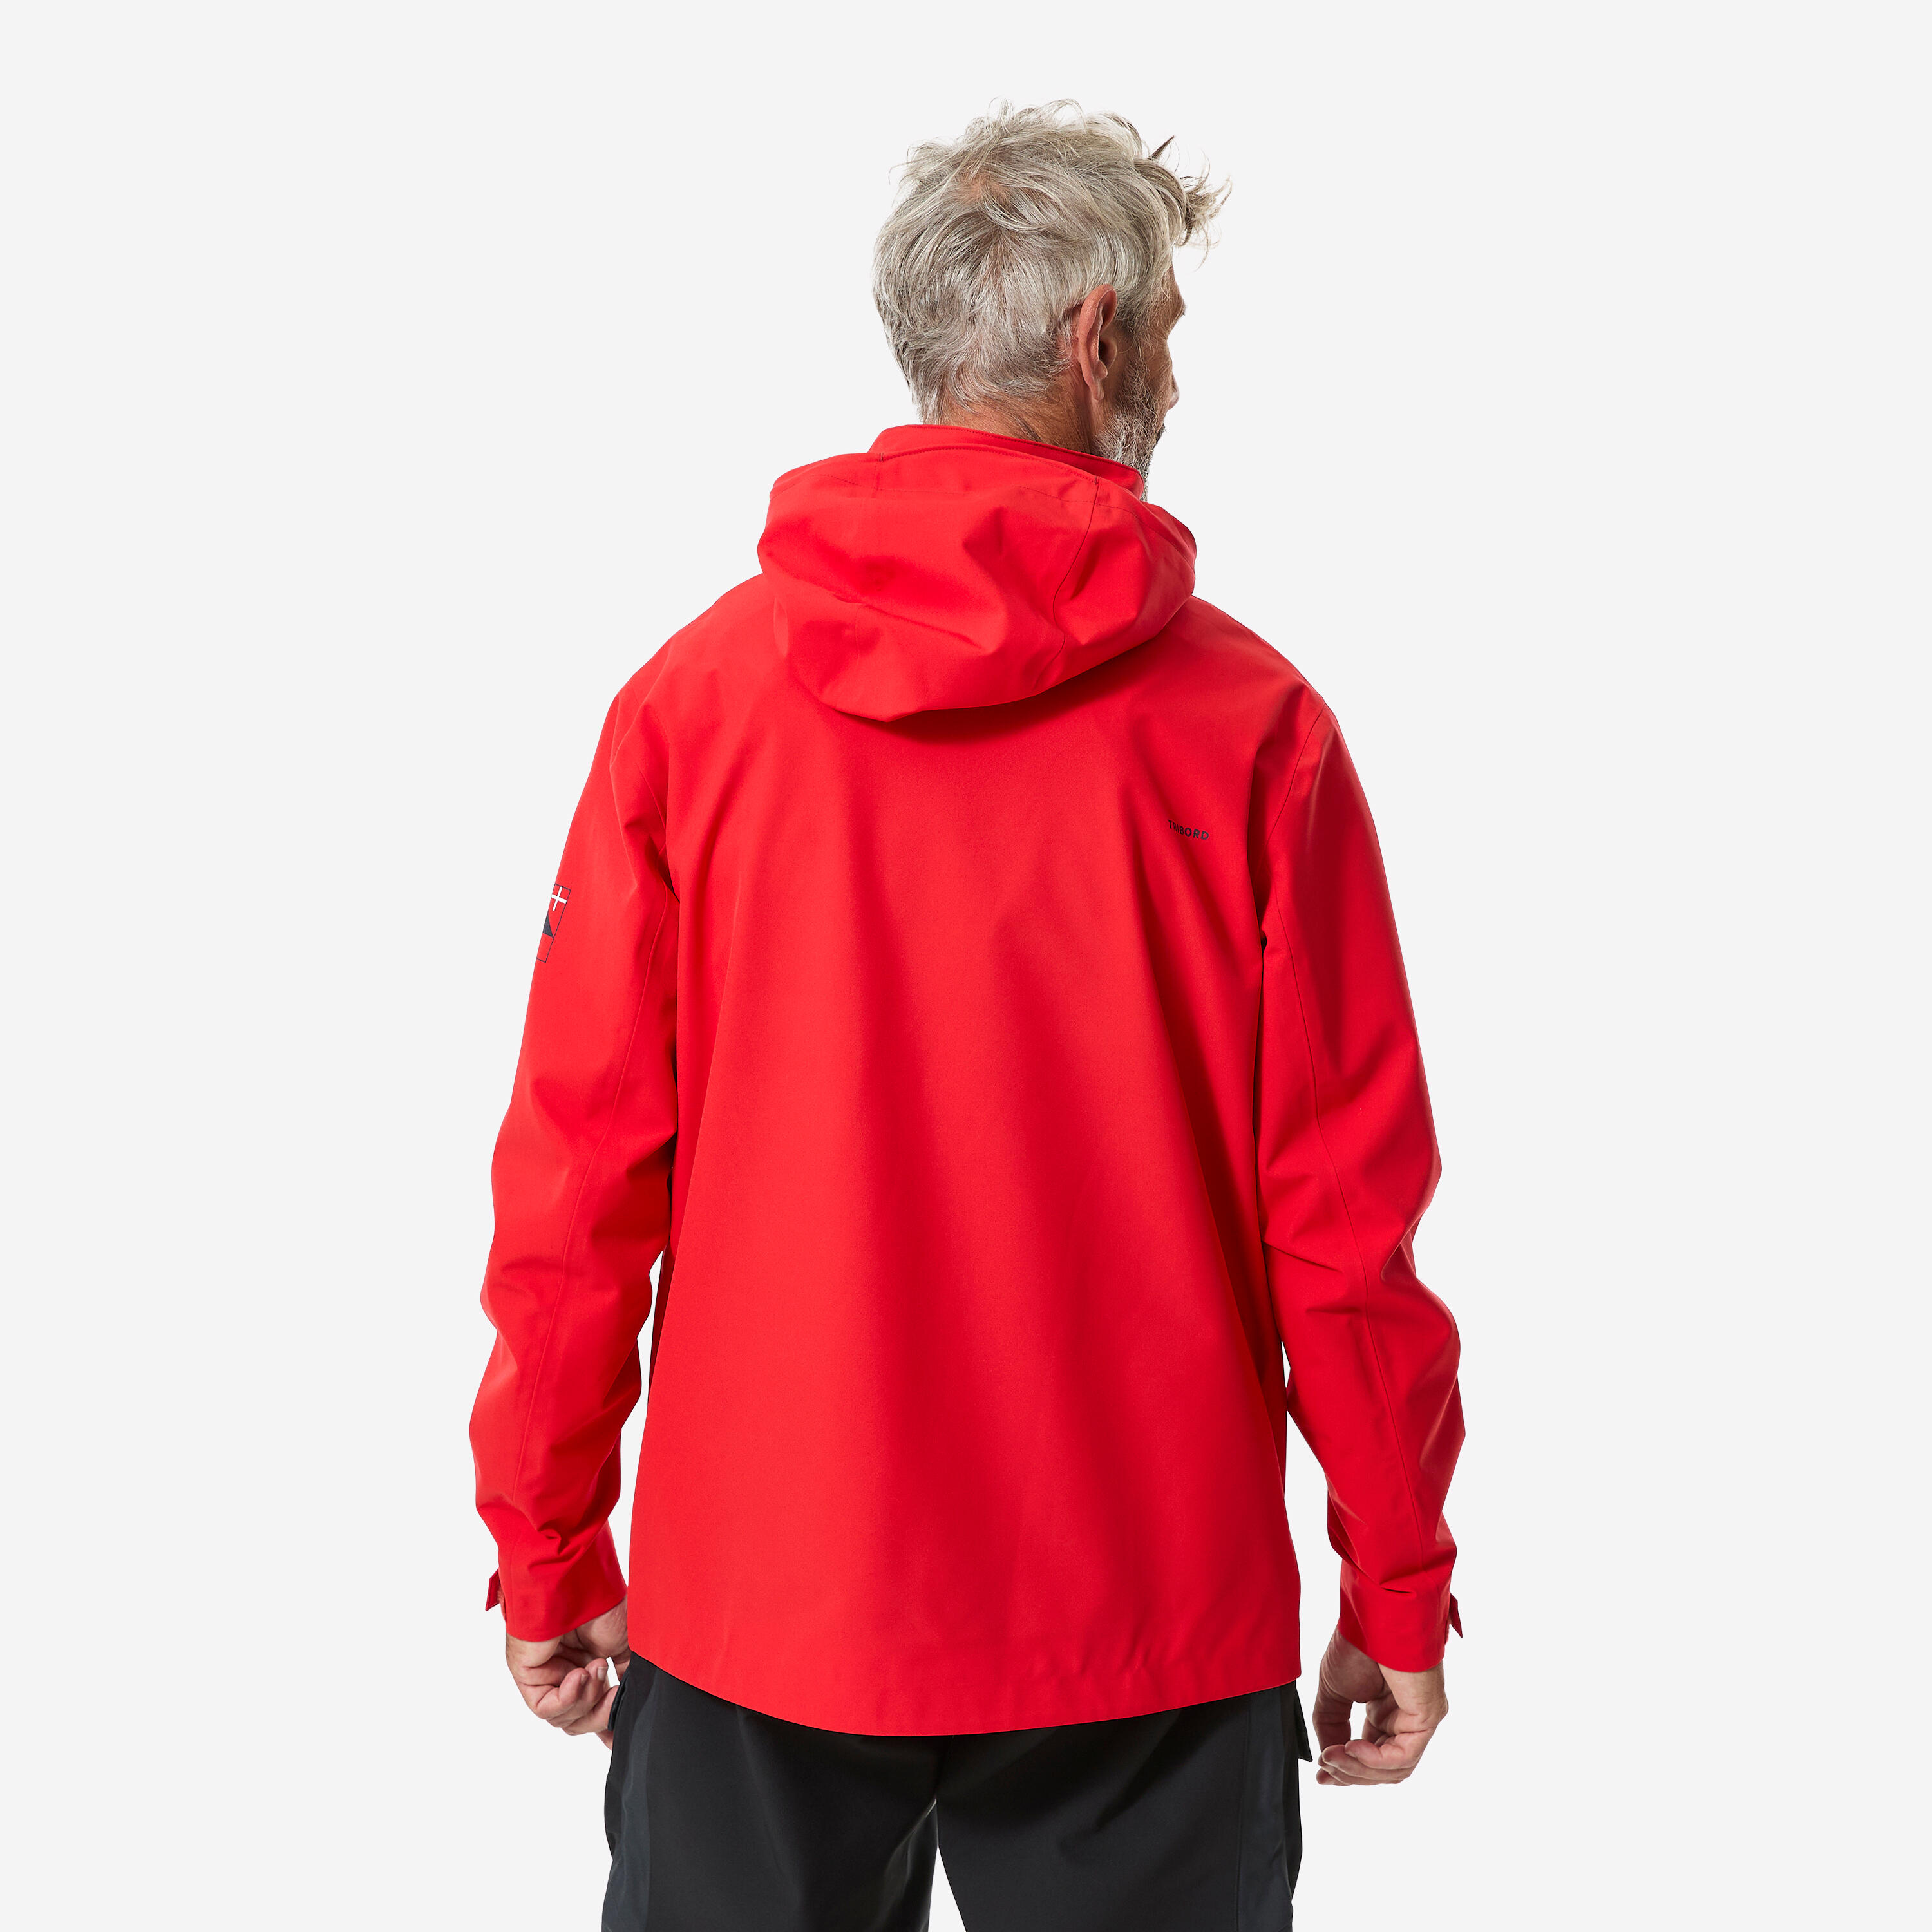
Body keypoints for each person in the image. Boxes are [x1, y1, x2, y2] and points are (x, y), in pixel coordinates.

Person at [470, 100, 1464, 1931]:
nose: (1176, 372)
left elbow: (579, 1180)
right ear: (1099, 341)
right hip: (1145, 1626)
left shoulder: (692, 711)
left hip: (764, 1607)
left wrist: (547, 1540)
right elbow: (1340, 1222)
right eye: (1169, 330)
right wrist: (1395, 1581)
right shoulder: (1258, 735)